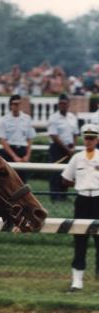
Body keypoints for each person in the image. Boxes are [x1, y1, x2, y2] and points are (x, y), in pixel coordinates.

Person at [61, 124, 99, 291]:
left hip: (98, 200)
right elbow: (65, 179)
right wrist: (81, 184)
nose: (89, 141)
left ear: (97, 140)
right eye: (86, 138)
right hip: (82, 200)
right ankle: (77, 282)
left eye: (92, 138)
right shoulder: (77, 158)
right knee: (80, 240)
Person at [0, 94, 36, 182]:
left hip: (22, 151)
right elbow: (2, 140)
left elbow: (29, 139)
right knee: (8, 180)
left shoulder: (27, 119)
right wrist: (14, 157)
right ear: (10, 105)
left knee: (22, 180)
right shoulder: (4, 120)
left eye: (18, 104)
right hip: (9, 152)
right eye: (14, 104)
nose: (16, 106)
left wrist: (27, 156)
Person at [48, 93, 79, 202]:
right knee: (56, 173)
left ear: (68, 104)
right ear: (58, 104)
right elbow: (54, 136)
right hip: (57, 148)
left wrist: (73, 147)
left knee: (67, 173)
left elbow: (75, 134)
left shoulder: (72, 117)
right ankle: (55, 197)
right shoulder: (53, 118)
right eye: (60, 103)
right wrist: (67, 149)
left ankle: (63, 196)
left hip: (70, 149)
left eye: (65, 103)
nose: (62, 105)